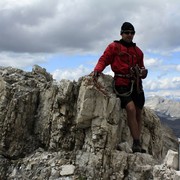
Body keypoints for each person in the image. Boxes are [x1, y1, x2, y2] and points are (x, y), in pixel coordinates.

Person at [92, 22, 148, 153]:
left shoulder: (138, 52)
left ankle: (137, 143)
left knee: (139, 112)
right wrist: (97, 69)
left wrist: (143, 72)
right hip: (121, 83)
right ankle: (136, 143)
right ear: (121, 33)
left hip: (137, 84)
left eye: (132, 33)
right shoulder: (114, 47)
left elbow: (142, 68)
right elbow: (104, 59)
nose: (129, 35)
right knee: (131, 108)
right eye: (127, 32)